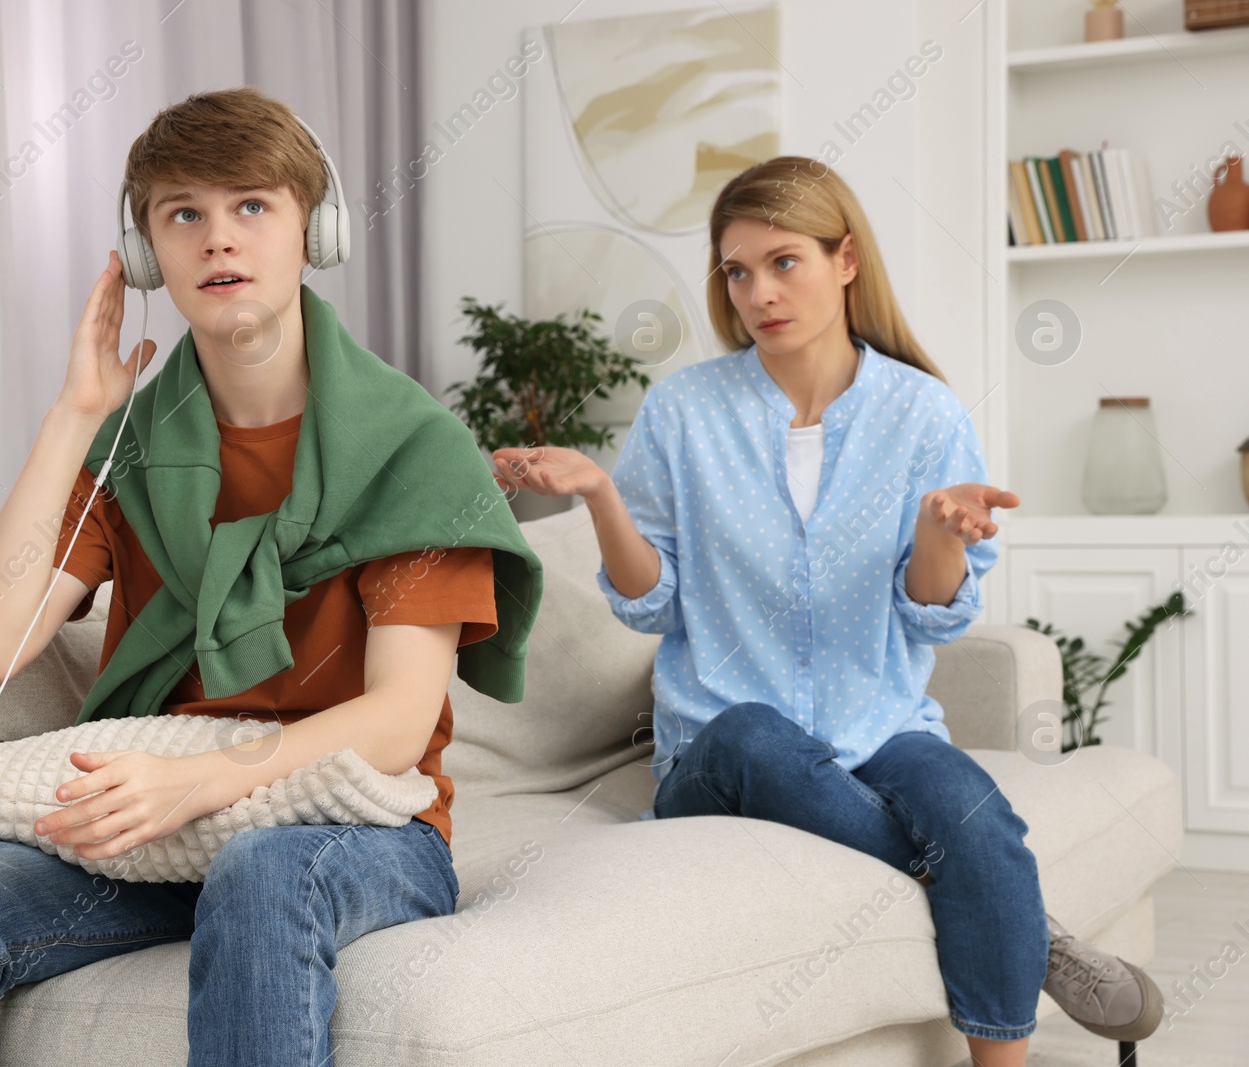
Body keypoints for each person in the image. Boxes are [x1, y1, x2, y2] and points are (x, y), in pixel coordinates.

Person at [0, 86, 542, 1066]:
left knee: (261, 868)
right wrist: (75, 414)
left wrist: (199, 782)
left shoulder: (412, 451)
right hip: (153, 837)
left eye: (251, 206)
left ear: (316, 230)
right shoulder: (129, 451)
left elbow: (394, 721)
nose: (219, 239)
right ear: (145, 257)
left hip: (360, 824)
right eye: (184, 215)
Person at [490, 156, 1163, 1067]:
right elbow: (651, 604)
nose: (757, 292)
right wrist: (602, 496)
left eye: (783, 262)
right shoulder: (686, 411)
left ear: (845, 259)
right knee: (757, 736)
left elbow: (933, 617)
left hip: (880, 723)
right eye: (737, 271)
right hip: (718, 744)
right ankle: (1033, 935)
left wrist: (940, 535)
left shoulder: (922, 415)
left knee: (974, 811)